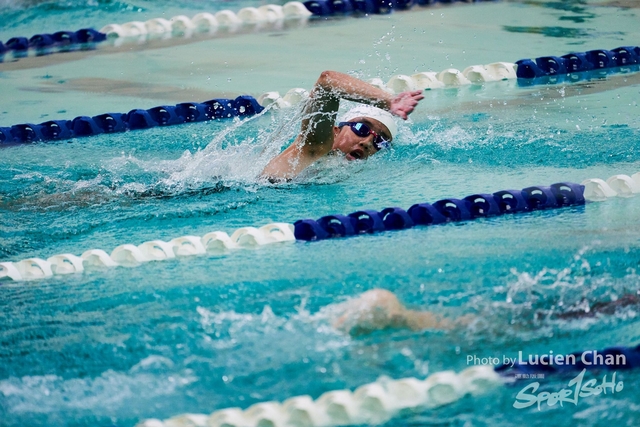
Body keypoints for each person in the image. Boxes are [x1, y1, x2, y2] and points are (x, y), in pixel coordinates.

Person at [261, 71, 424, 180]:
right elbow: (327, 81)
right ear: (335, 130)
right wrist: (388, 101)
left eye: (380, 141)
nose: (367, 143)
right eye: (362, 129)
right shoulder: (314, 149)